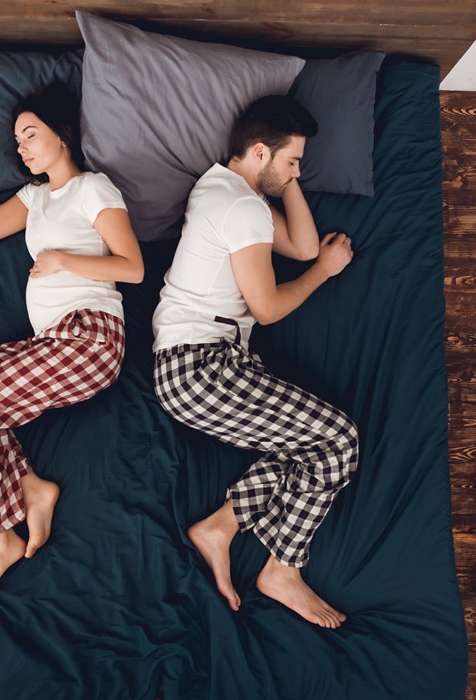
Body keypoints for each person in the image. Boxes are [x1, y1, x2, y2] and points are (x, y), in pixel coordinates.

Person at [0, 83, 144, 605]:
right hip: (51, 342)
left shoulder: (93, 188)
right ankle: (30, 486)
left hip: (90, 338)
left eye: (30, 135)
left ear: (61, 136)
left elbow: (133, 268)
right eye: (17, 141)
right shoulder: (35, 197)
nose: (21, 148)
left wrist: (63, 260)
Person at [152, 95, 359, 629]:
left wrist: (283, 179)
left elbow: (304, 245)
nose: (299, 173)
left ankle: (221, 526)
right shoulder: (241, 208)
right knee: (338, 441)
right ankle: (282, 569)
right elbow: (267, 308)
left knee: (309, 447)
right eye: (293, 161)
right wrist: (326, 274)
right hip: (200, 368)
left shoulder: (222, 187)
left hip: (201, 364)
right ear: (261, 151)